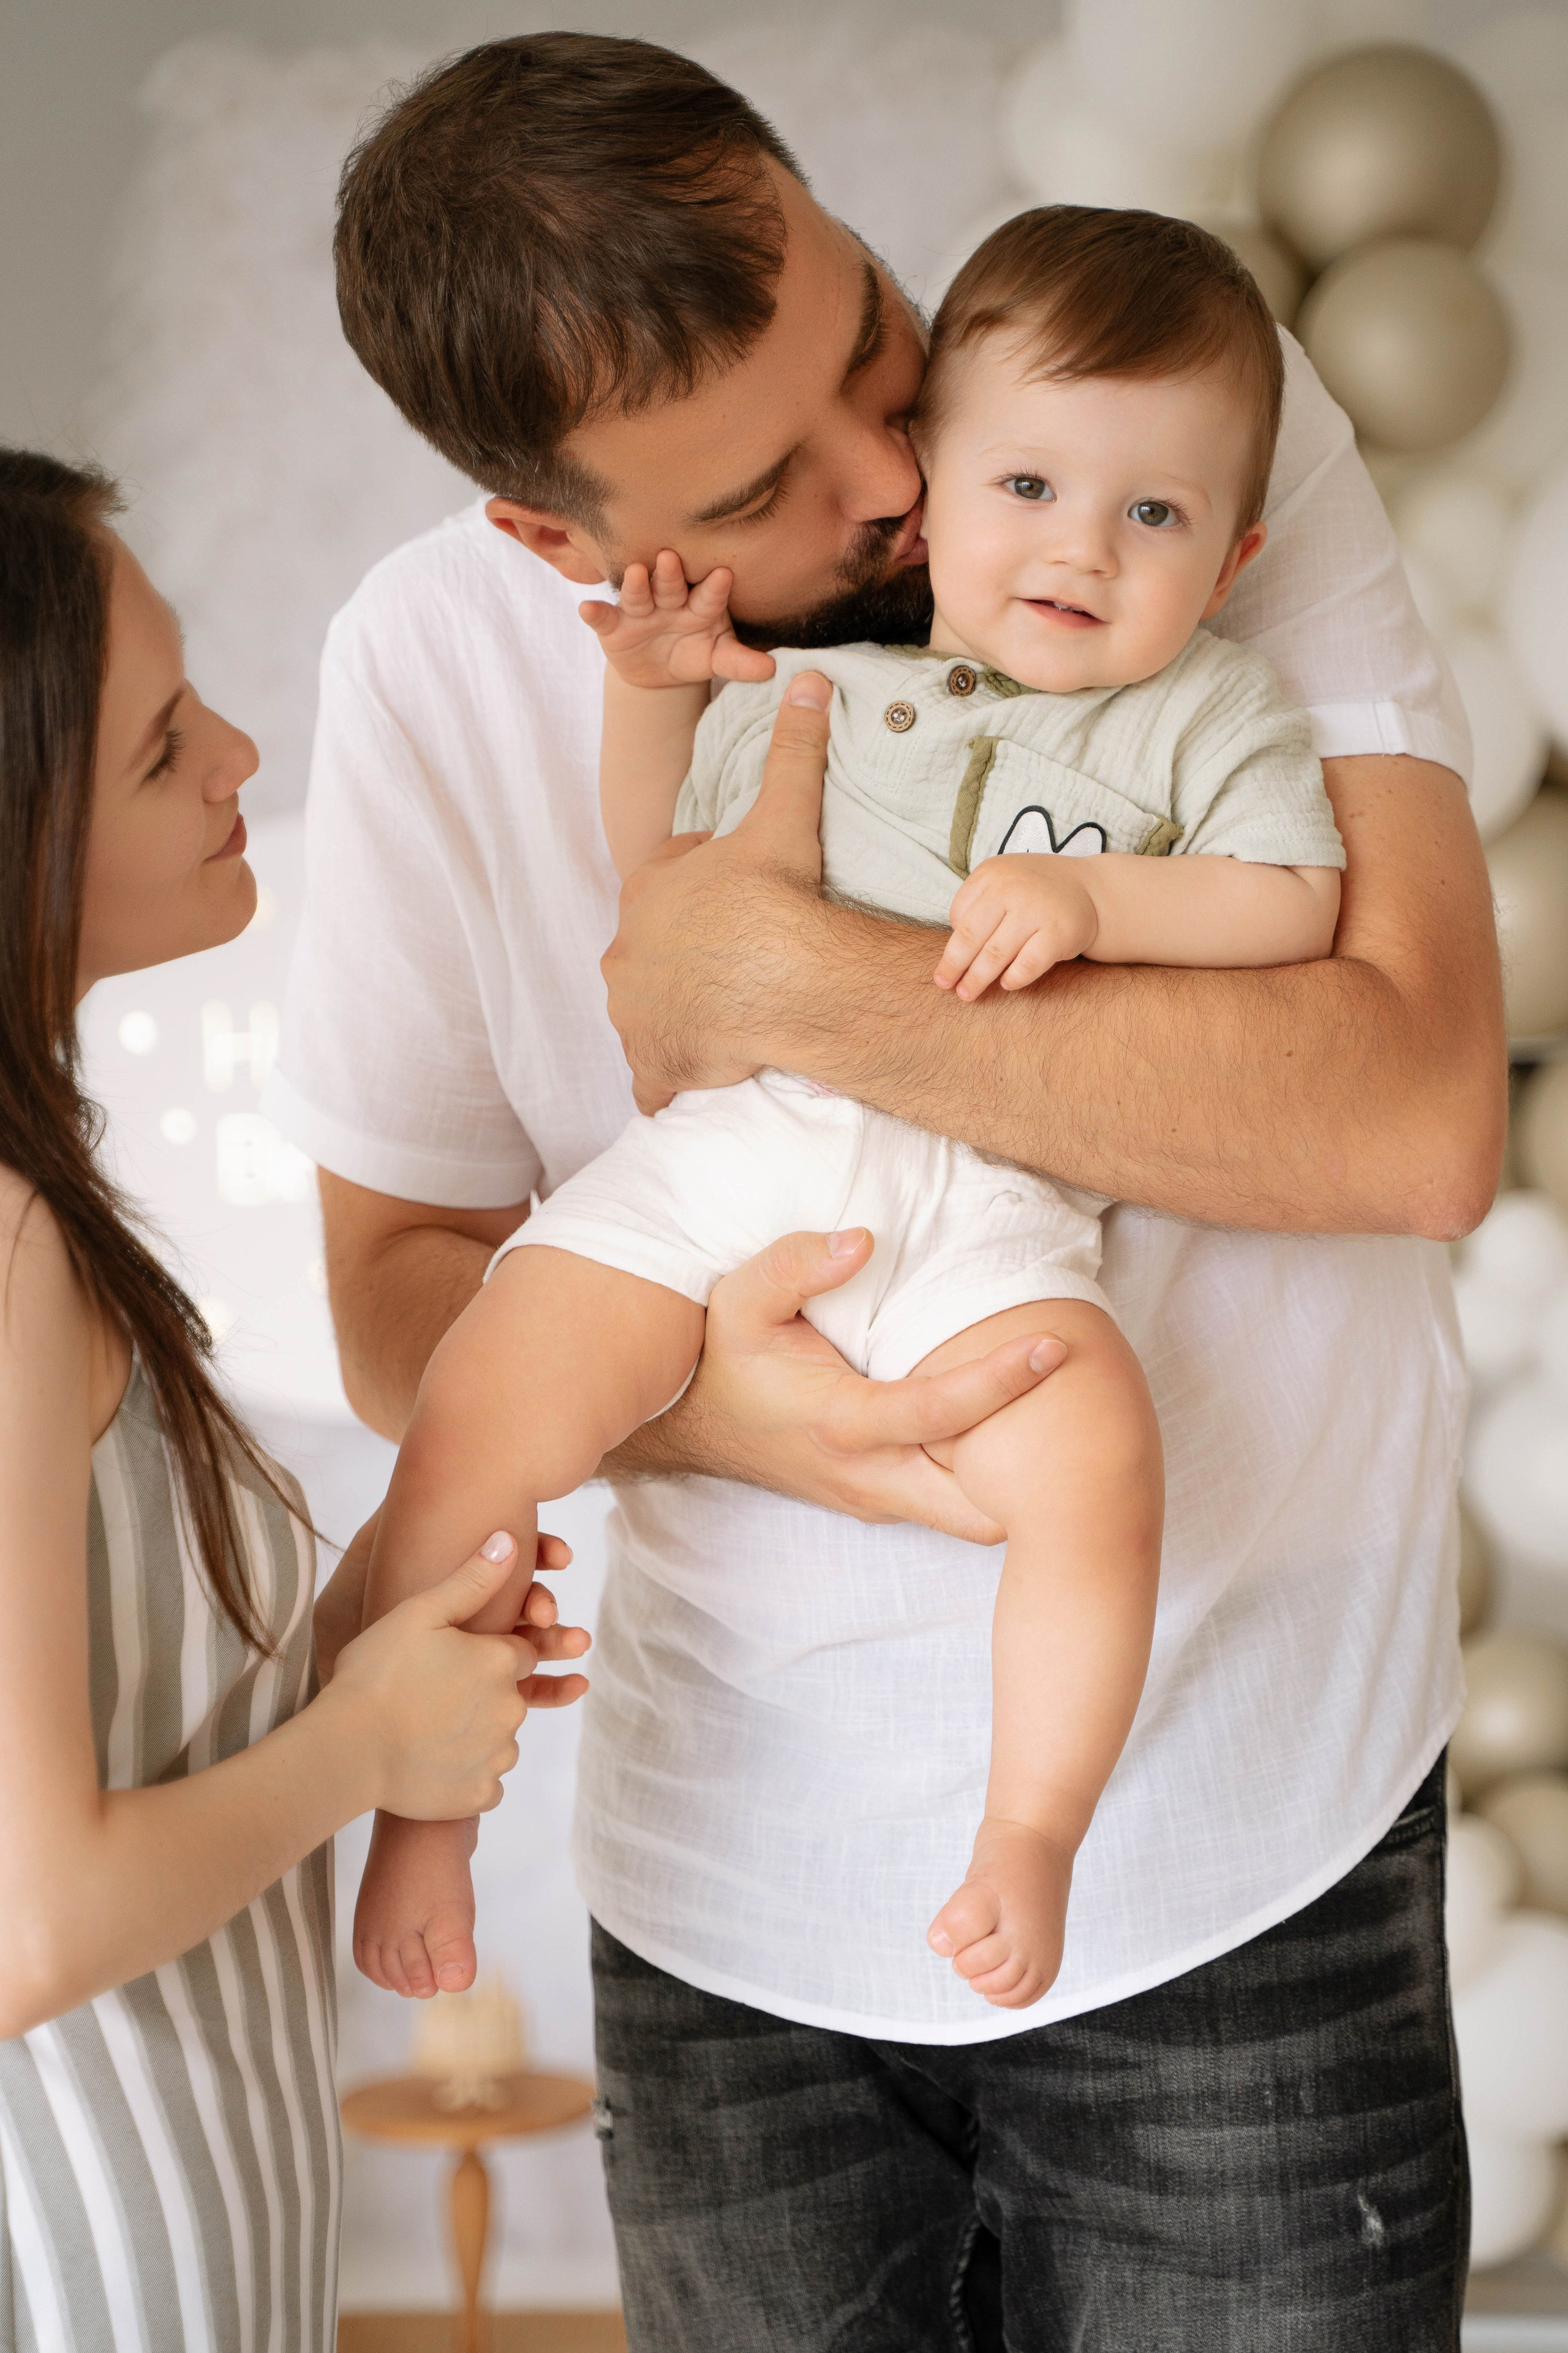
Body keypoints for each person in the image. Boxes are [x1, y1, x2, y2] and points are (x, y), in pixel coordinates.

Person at [270, 33, 1504, 2347]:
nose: (904, 484)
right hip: (733, 1883)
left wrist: (796, 981)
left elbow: (1418, 1115)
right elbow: (396, 1287)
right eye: (768, 479)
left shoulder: (1155, 444)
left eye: (870, 342)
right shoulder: (431, 667)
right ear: (550, 537)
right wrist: (734, 1415)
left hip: (1242, 1828)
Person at [352, 205, 1348, 2020]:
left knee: (1097, 1453)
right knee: (489, 1398)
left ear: (1237, 552)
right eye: (1030, 486)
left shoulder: (1207, 710)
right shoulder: (819, 679)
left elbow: (1288, 899)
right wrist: (648, 697)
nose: (1081, 548)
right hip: (736, 1150)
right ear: (945, 485)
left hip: (992, 1194)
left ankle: (1033, 1817)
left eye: (1155, 517)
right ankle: (415, 1793)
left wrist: (1105, 906)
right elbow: (660, 875)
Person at [0, 449, 587, 2353]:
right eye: (168, 743)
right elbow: (31, 1920)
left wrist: (363, 1655)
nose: (244, 752)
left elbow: (118, 1726)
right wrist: (368, 1751)